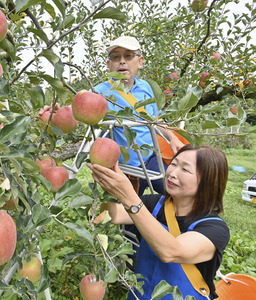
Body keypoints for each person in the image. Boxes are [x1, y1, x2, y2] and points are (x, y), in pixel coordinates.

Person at [88, 144, 230, 300]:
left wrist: (129, 196)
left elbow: (171, 252)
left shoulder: (214, 228)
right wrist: (109, 187)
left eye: (185, 170)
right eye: (173, 164)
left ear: (208, 181)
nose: (173, 173)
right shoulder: (155, 204)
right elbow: (111, 215)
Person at [94, 35, 183, 195]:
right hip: (123, 166)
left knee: (175, 195)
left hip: (151, 157)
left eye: (128, 56)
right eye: (115, 57)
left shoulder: (146, 87)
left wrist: (172, 137)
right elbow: (79, 109)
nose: (122, 61)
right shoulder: (99, 92)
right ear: (109, 65)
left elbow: (155, 120)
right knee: (128, 214)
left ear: (140, 62)